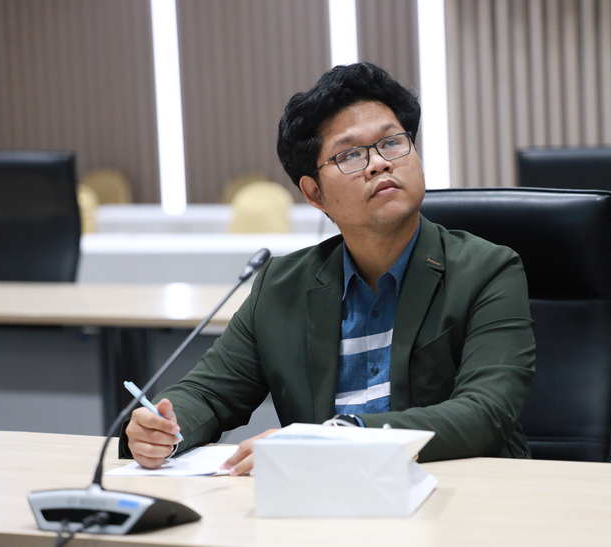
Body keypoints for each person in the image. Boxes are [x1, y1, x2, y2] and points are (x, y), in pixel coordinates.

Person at [121, 62, 536, 474]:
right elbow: (207, 394)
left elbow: (486, 411)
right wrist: (161, 429)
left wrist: (339, 438)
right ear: (314, 194)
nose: (379, 163)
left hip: (462, 494)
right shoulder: (281, 287)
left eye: (392, 142)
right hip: (326, 498)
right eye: (351, 154)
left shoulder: (487, 270)